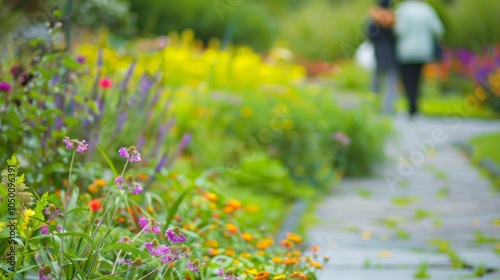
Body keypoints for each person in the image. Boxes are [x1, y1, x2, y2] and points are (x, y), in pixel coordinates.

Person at [394, 0, 444, 118]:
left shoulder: (403, 9)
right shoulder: (427, 9)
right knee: (418, 79)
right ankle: (415, 108)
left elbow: (399, 30)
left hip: (406, 51)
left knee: (407, 80)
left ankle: (411, 107)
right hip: (423, 50)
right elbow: (438, 29)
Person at [365, 0, 398, 115]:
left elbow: (369, 34)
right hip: (392, 54)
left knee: (375, 83)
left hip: (378, 53)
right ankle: (388, 108)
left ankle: (373, 106)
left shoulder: (374, 20)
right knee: (390, 83)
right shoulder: (394, 19)